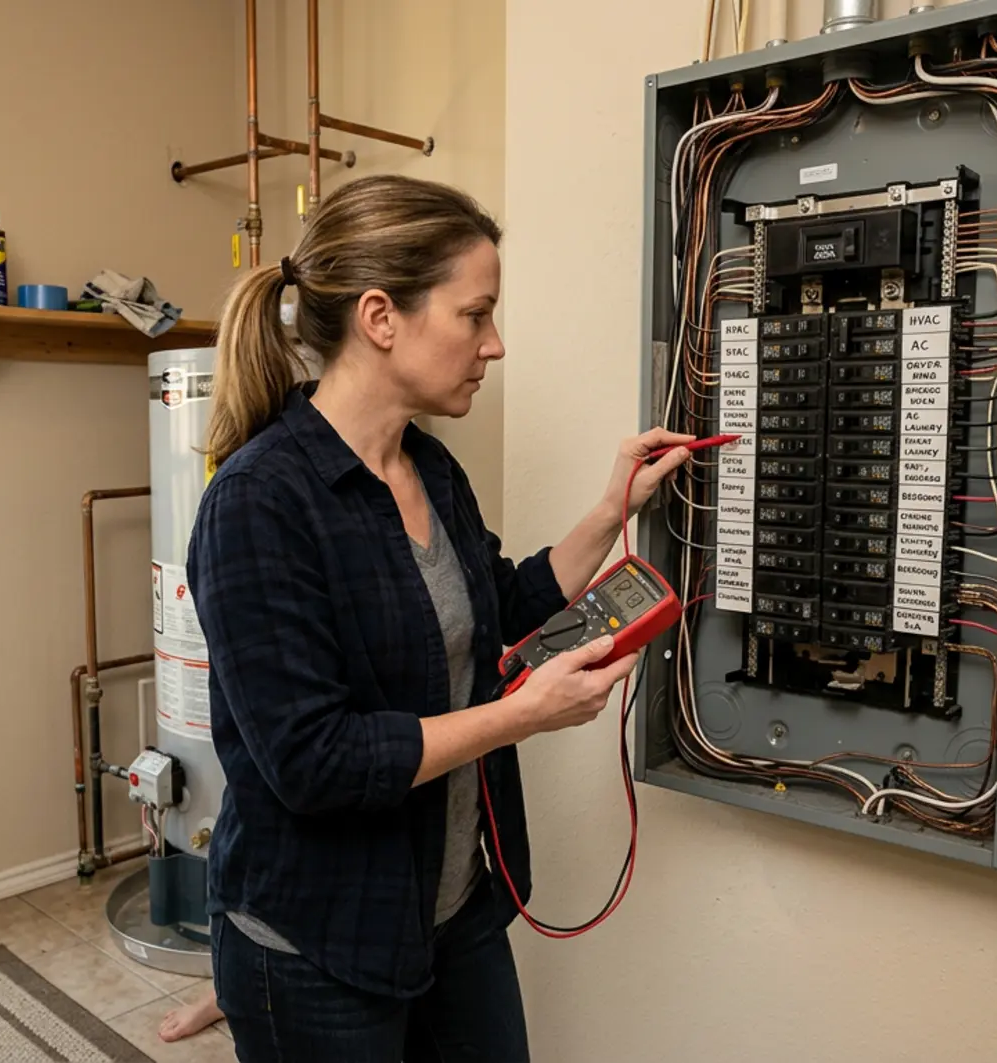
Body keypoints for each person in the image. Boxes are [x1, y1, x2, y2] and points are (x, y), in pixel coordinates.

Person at [186, 173, 693, 1063]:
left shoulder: (430, 468)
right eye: (475, 315)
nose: (494, 344)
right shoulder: (257, 503)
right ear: (381, 318)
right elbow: (314, 760)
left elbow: (499, 606)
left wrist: (614, 507)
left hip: (453, 908)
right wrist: (522, 715)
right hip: (316, 944)